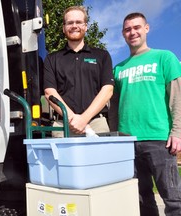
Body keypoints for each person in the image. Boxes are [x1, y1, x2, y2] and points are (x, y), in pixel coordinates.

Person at [112, 12, 181, 216]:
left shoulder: (164, 57)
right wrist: (115, 137)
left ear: (146, 28)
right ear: (123, 34)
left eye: (136, 27)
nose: (132, 32)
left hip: (159, 140)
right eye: (127, 29)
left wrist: (177, 131)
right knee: (141, 199)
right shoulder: (118, 69)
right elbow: (114, 107)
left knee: (174, 198)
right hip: (127, 142)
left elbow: (176, 97)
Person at [43, 6, 114, 137]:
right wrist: (72, 119)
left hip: (96, 124)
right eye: (70, 23)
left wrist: (84, 119)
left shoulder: (102, 56)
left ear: (86, 26)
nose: (74, 26)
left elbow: (107, 90)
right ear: (64, 28)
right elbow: (49, 93)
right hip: (63, 125)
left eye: (79, 22)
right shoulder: (51, 59)